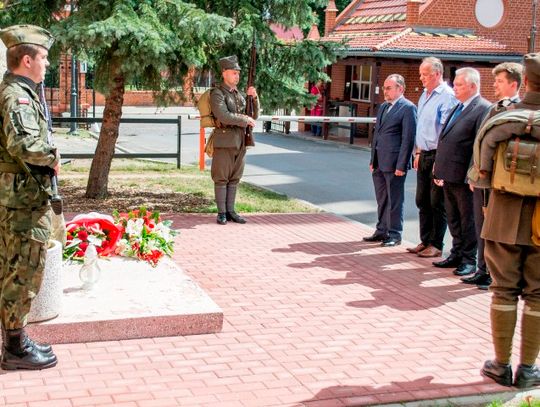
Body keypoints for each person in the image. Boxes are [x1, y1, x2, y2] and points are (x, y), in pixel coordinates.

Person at [475, 53, 540, 389]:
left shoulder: (501, 118)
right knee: (538, 294)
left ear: (525, 81)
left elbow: (479, 173)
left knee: (503, 291)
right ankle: (528, 369)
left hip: (502, 216)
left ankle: (501, 365)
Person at [0, 24, 59, 370]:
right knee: (22, 271)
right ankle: (15, 349)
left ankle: (15, 340)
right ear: (27, 60)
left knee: (15, 268)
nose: (47, 64)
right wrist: (53, 156)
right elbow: (23, 143)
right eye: (44, 57)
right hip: (22, 201)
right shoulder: (17, 96)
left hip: (20, 196)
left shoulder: (20, 90)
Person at [463, 62, 522, 290]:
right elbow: (480, 143)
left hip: (500, 181)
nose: (494, 85)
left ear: (513, 84)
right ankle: (482, 269)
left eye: (499, 81)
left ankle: (494, 274)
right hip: (483, 179)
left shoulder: (518, 111)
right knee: (482, 226)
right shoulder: (495, 107)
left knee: (496, 229)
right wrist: (474, 174)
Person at [432, 68, 490, 276]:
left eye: (459, 85)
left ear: (472, 86)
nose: (454, 88)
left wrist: (471, 174)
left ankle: (468, 259)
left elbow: (478, 145)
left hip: (464, 176)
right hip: (449, 173)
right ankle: (456, 253)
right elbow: (446, 138)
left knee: (468, 220)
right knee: (453, 217)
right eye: (454, 84)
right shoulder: (459, 106)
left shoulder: (482, 108)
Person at [407, 57, 458, 258]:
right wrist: (418, 152)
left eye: (425, 74)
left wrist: (440, 160)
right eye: (421, 74)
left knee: (437, 202)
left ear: (437, 74)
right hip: (424, 153)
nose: (421, 78)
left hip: (438, 155)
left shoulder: (447, 96)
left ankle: (436, 244)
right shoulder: (424, 95)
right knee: (422, 200)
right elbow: (422, 127)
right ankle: (425, 240)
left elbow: (446, 132)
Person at [363, 74, 416, 247]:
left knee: (395, 201)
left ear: (400, 88)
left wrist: (402, 165)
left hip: (395, 164)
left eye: (388, 88)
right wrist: (373, 159)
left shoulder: (408, 108)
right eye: (384, 88)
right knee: (382, 199)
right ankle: (381, 230)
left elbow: (408, 139)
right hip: (379, 162)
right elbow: (377, 134)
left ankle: (394, 234)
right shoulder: (384, 107)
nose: (385, 91)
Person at [210, 55, 259, 225]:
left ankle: (231, 211)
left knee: (234, 178)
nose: (237, 76)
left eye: (238, 73)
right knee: (221, 178)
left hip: (240, 141)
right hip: (224, 141)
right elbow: (223, 115)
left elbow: (253, 115)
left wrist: (254, 98)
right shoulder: (217, 93)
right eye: (233, 73)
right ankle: (221, 213)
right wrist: (244, 119)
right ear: (224, 73)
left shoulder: (238, 95)